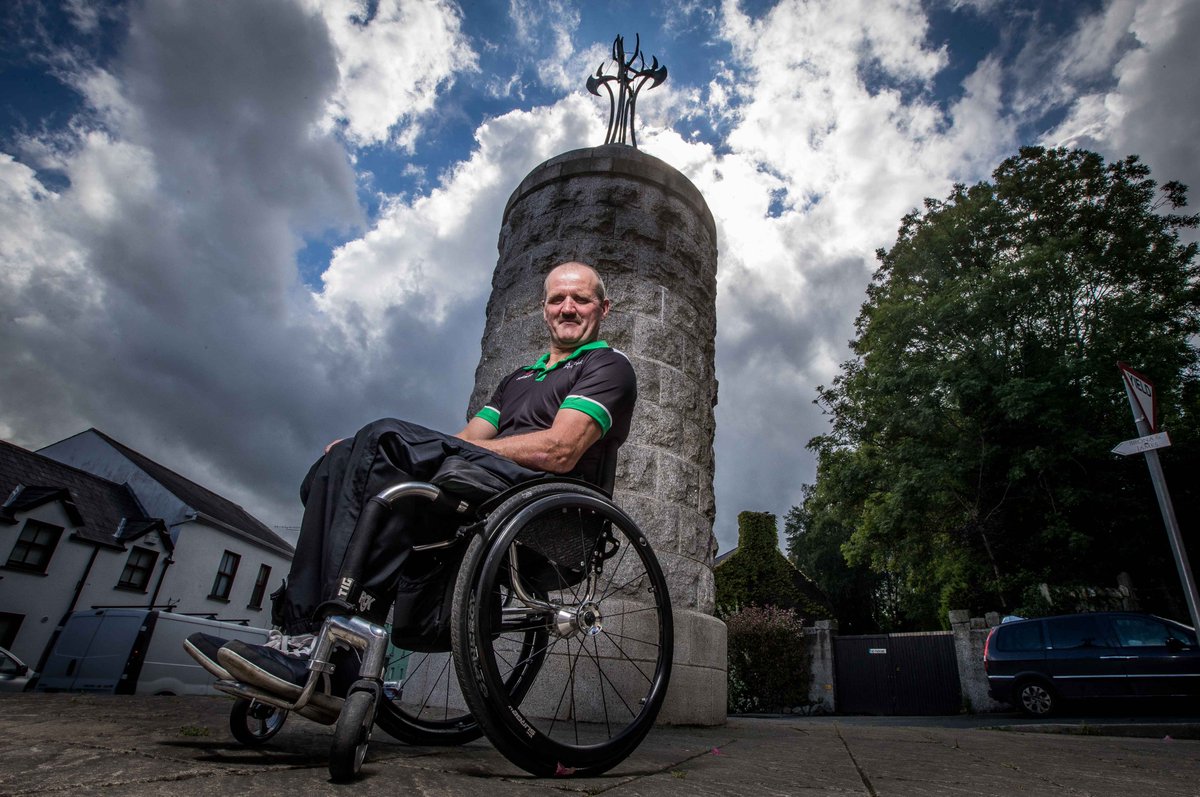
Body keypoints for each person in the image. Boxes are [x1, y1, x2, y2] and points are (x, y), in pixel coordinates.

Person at [184, 262, 636, 698]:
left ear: (603, 308)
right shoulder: (518, 378)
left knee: (384, 438)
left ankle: (315, 646)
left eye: (581, 298)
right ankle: (304, 640)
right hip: (486, 489)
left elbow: (559, 450)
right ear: (544, 308)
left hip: (546, 503)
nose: (568, 308)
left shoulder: (607, 366)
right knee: (344, 457)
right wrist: (367, 450)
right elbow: (462, 441)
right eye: (558, 299)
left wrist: (405, 446)